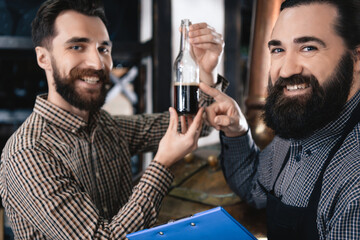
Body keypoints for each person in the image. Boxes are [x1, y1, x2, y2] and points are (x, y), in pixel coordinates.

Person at [0, 0, 226, 239]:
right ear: (43, 58)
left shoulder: (105, 126)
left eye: (103, 49)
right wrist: (162, 165)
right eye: (77, 47)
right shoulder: (28, 153)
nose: (97, 63)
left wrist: (206, 70)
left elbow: (190, 126)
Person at [200, 0, 360, 239]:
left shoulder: (355, 186)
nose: (286, 71)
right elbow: (255, 188)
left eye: (308, 48)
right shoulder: (305, 121)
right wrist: (237, 131)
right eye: (278, 50)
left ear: (356, 59)